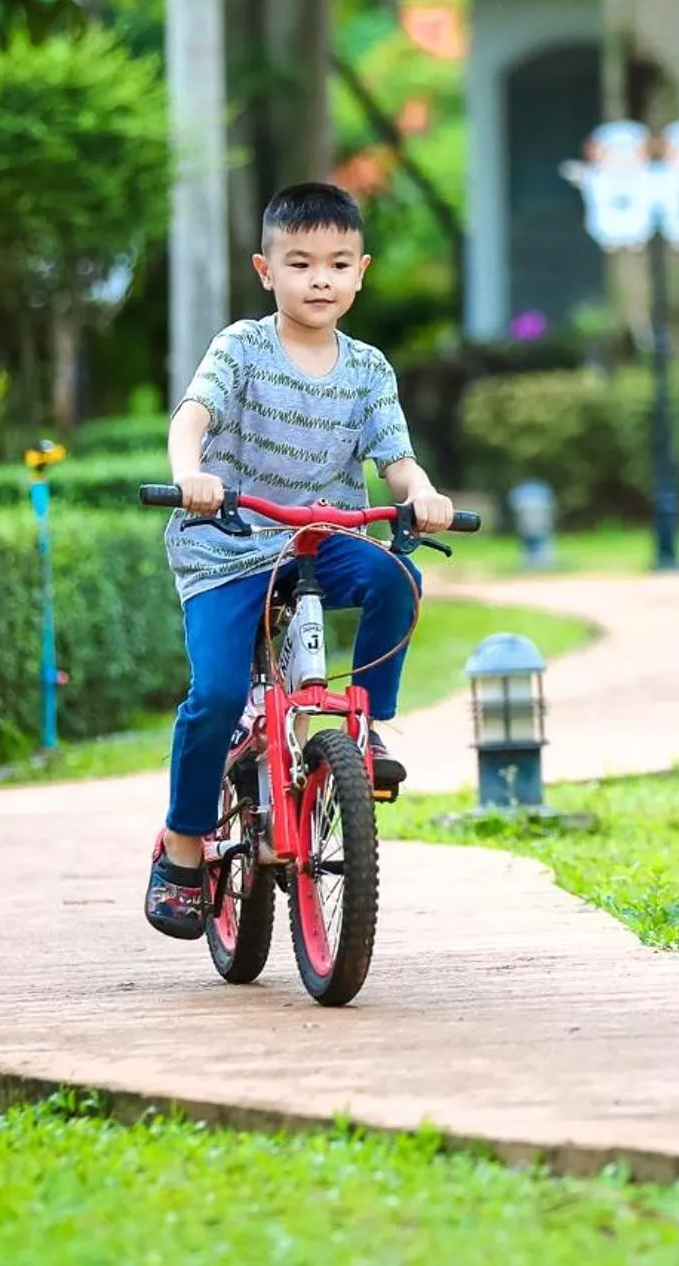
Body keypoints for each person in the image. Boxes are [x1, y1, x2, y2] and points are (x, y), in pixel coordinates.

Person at [146, 182, 455, 940]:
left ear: (361, 272)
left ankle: (367, 726)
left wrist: (422, 493)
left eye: (338, 263)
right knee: (216, 697)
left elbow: (397, 462)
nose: (321, 278)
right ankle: (184, 846)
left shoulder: (369, 369)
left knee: (398, 578)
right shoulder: (241, 348)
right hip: (227, 545)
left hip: (319, 540)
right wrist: (192, 474)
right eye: (301, 262)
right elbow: (193, 418)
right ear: (265, 269)